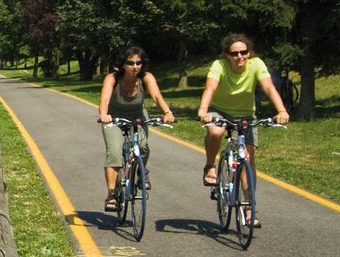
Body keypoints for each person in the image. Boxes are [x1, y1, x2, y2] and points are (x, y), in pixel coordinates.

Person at [194, 34, 290, 223]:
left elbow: (269, 88)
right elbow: (210, 88)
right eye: (235, 53)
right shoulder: (219, 66)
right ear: (227, 55)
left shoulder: (256, 64)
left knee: (247, 158)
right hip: (219, 111)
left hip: (246, 115)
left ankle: (249, 207)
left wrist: (281, 111)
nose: (240, 57)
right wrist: (203, 110)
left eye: (244, 52)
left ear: (249, 53)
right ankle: (210, 166)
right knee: (216, 131)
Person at [97, 47, 175, 211]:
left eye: (138, 62)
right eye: (130, 63)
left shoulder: (146, 77)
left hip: (138, 115)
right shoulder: (112, 78)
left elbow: (156, 96)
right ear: (123, 64)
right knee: (114, 152)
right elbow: (104, 99)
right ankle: (111, 195)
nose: (135, 66)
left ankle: (141, 171)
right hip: (114, 116)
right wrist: (104, 115)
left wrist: (167, 112)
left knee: (143, 146)